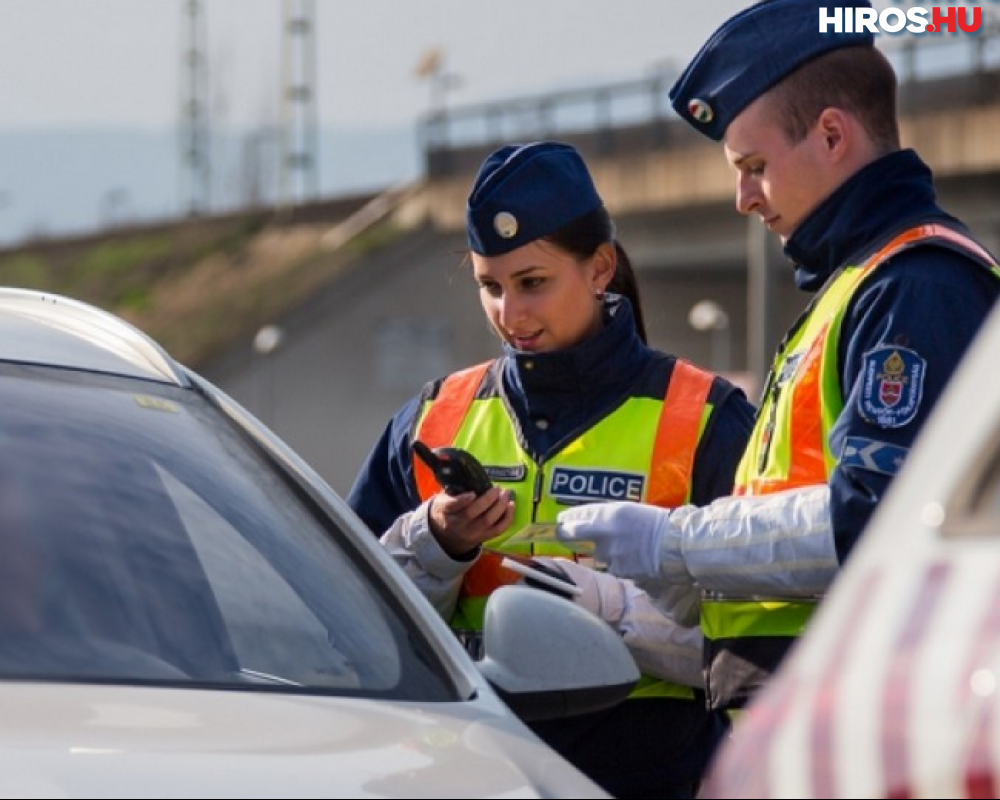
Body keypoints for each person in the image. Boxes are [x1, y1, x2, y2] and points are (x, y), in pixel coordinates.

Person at [556, 0, 1000, 714]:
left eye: (755, 166)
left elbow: (875, 520)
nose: (742, 198)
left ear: (831, 134)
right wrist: (666, 597)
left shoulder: (914, 286)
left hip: (855, 725)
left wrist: (680, 545)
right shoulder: (862, 285)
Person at [347, 140, 756, 798]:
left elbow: (766, 639)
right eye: (490, 286)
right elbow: (353, 623)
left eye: (532, 283)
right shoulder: (430, 420)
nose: (510, 315)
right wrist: (434, 545)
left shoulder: (707, 420)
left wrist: (620, 614)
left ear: (599, 268)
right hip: (470, 776)